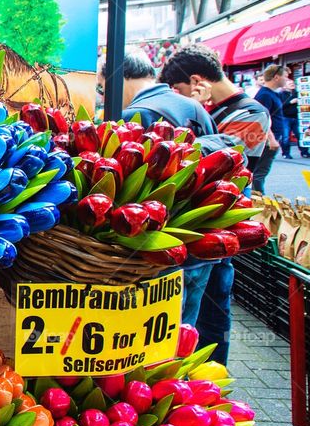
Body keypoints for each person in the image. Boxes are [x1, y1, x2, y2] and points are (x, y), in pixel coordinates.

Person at [161, 44, 271, 365]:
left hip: (221, 227)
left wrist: (195, 116)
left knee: (214, 310)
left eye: (179, 91)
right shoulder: (204, 109)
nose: (178, 99)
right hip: (194, 225)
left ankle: (213, 376)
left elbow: (223, 155)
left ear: (197, 81)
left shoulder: (252, 112)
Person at [99, 48, 217, 329]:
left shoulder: (135, 115)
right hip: (200, 243)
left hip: (158, 253)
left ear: (121, 78)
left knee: (157, 334)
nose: (104, 96)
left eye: (104, 88)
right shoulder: (193, 106)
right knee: (188, 328)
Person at [253, 65, 287, 187]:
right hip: (265, 141)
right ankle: (257, 198)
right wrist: (271, 139)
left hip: (271, 138)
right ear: (276, 77)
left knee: (261, 171)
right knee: (260, 172)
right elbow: (262, 119)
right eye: (285, 76)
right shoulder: (265, 95)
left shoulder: (272, 94)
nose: (286, 79)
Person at [279, 67, 308, 158]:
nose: (292, 85)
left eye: (292, 83)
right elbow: (279, 106)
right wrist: (290, 102)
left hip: (298, 117)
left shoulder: (298, 93)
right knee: (286, 136)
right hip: (285, 117)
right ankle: (286, 153)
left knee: (301, 135)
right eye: (289, 83)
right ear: (284, 86)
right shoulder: (281, 94)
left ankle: (304, 152)